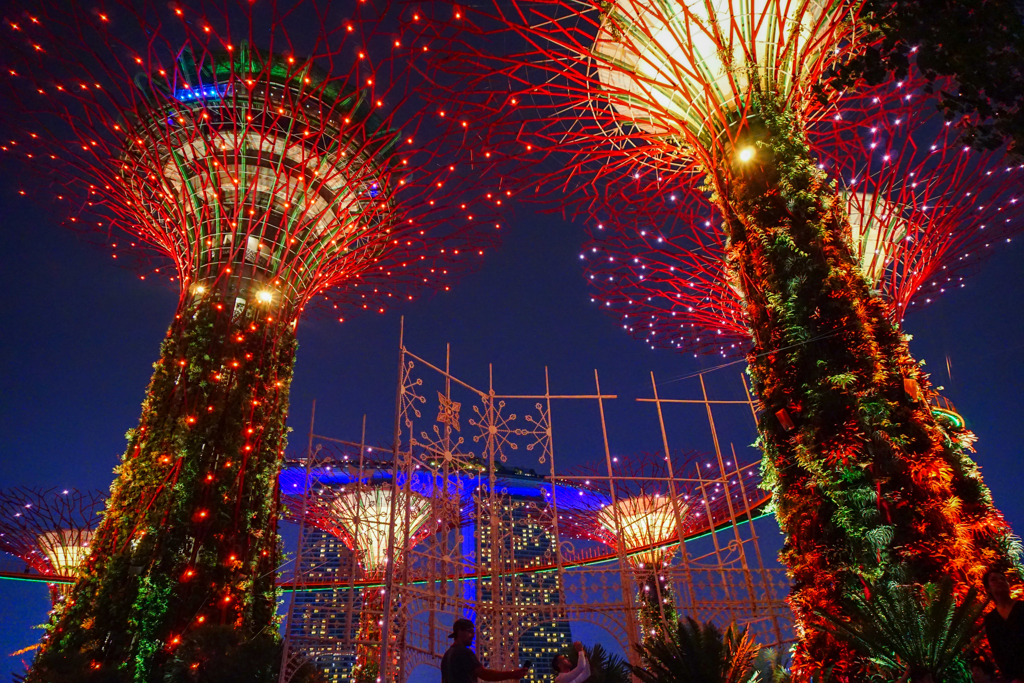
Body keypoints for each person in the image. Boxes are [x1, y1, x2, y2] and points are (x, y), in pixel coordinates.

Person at [441, 618, 530, 683]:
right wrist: (513, 674)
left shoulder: (447, 655)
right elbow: (484, 674)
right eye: (470, 632)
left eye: (473, 633)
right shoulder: (464, 652)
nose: (472, 636)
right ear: (460, 632)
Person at [982, 569, 1024, 683]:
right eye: (994, 580)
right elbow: (998, 651)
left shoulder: (1021, 607)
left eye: (1003, 579)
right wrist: (1012, 678)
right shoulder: (991, 619)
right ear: (988, 589)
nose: (1000, 581)